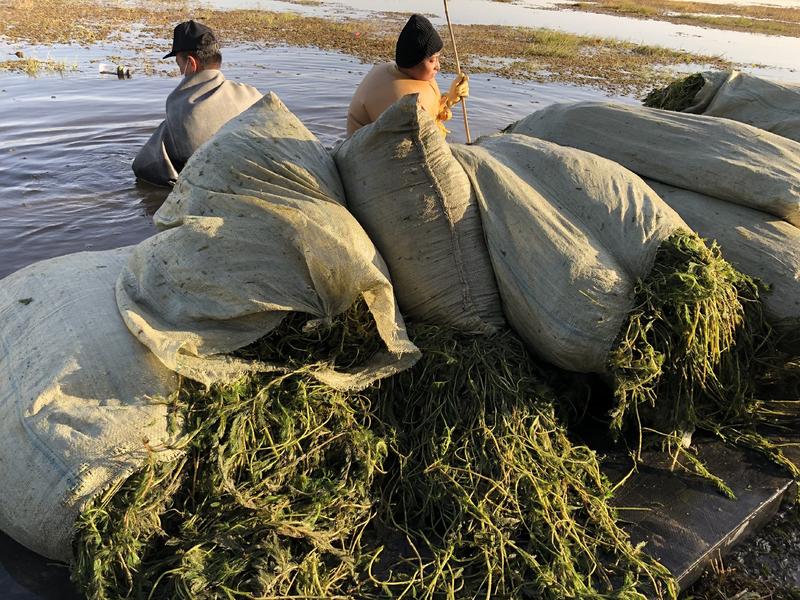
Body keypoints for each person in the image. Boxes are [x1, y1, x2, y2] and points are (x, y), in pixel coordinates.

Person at [132, 20, 263, 186]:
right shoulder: (252, 94)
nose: (180, 71)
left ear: (191, 64)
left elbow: (147, 166)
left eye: (179, 65)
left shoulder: (181, 105)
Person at [346, 14, 469, 137]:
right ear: (414, 61)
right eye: (432, 60)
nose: (438, 66)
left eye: (438, 59)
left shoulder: (404, 72)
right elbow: (421, 142)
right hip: (366, 153)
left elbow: (431, 112)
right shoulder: (402, 100)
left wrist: (450, 99)